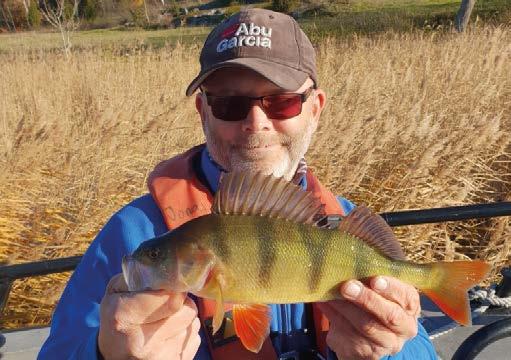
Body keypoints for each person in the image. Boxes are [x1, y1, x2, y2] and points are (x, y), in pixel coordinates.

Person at [38, 8, 437, 360]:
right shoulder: (132, 234)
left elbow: (420, 352)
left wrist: (388, 352)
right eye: (229, 104)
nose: (256, 123)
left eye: (282, 102)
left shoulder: (344, 225)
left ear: (315, 109)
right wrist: (106, 354)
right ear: (203, 112)